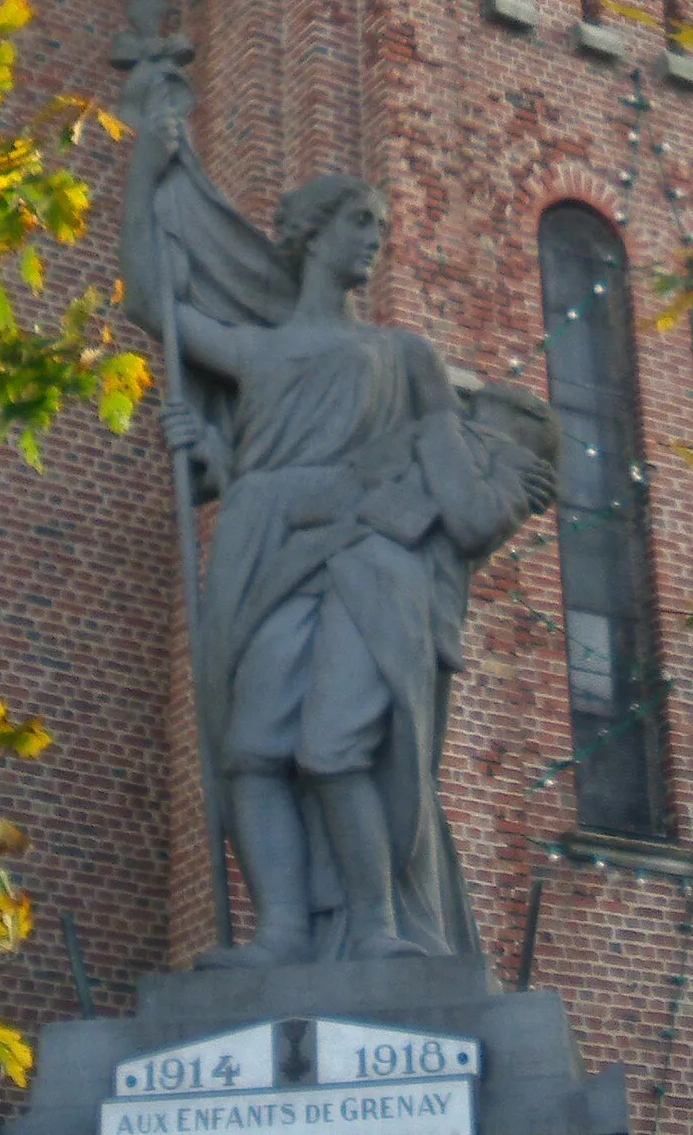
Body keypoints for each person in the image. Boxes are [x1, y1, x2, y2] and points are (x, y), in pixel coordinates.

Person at [155, 172, 555, 966]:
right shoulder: (257, 351)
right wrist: (155, 153)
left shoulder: (402, 355)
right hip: (272, 558)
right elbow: (154, 305)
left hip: (368, 573)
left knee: (337, 745)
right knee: (251, 747)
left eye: (379, 222)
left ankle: (378, 925)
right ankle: (283, 931)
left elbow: (467, 509)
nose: (375, 237)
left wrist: (505, 485)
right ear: (311, 232)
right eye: (360, 220)